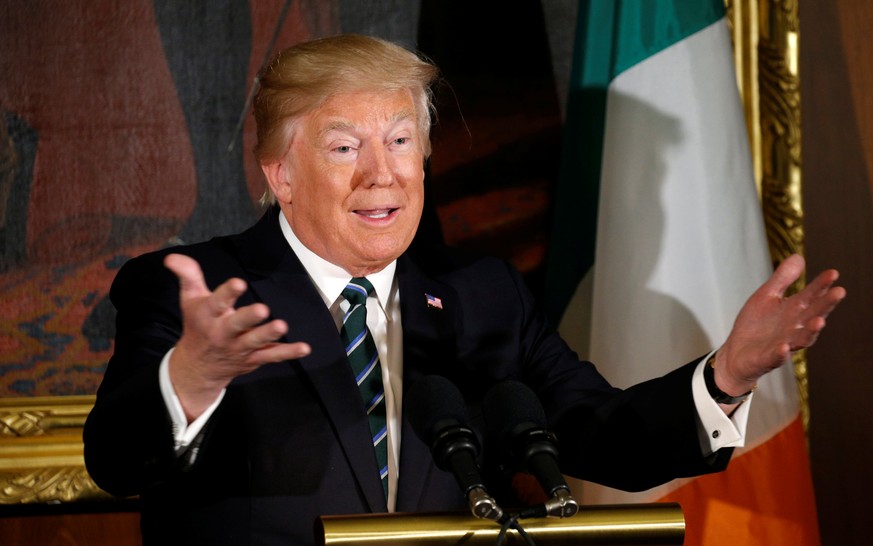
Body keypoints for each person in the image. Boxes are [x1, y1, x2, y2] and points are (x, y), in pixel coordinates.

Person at [83, 34, 845, 546]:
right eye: (345, 147)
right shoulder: (197, 293)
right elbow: (115, 463)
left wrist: (726, 376)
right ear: (280, 174)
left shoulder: (482, 294)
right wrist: (190, 380)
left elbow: (603, 433)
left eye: (401, 142)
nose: (381, 173)